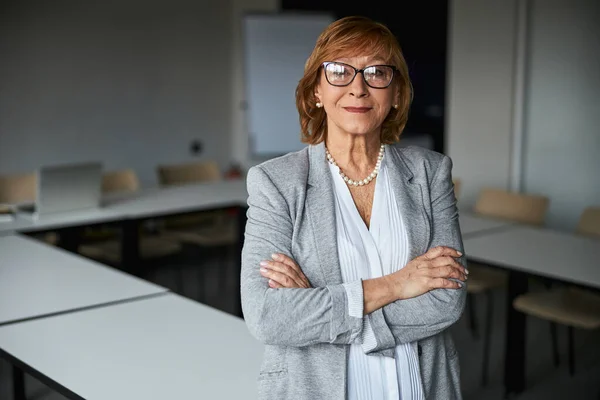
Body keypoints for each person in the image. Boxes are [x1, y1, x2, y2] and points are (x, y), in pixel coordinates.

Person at [241, 15, 467, 400]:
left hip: (419, 385)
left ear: (396, 94)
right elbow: (267, 315)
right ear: (316, 90)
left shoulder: (431, 173)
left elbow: (447, 299)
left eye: (377, 73)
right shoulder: (275, 183)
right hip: (315, 387)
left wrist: (318, 304)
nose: (358, 88)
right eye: (339, 72)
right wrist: (399, 284)